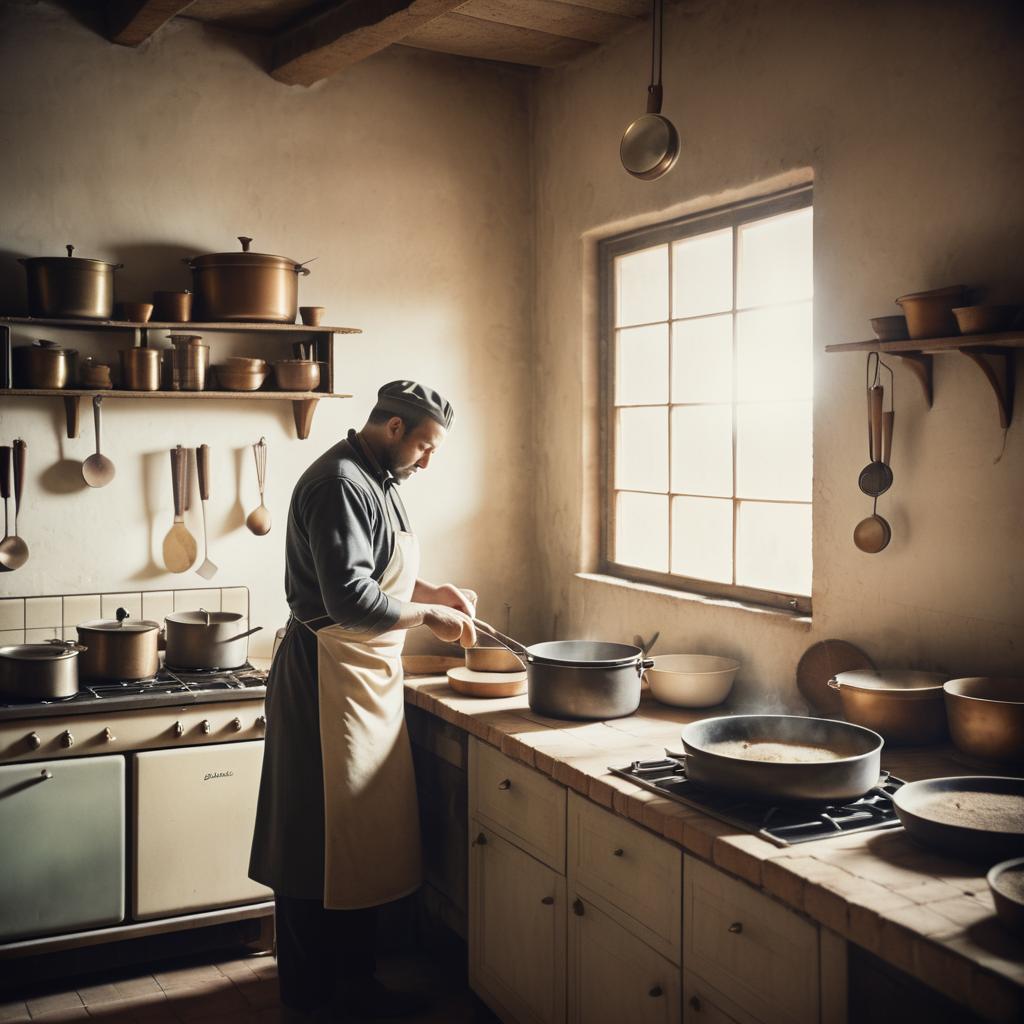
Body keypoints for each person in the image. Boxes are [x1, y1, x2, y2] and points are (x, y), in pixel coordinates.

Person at [249, 380, 477, 1022]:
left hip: (361, 675)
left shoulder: (382, 480)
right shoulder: (342, 483)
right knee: (315, 840)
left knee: (355, 845)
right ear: (395, 429)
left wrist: (434, 589)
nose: (428, 461)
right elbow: (348, 597)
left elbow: (376, 571)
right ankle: (312, 997)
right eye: (426, 447)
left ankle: (354, 985)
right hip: (327, 674)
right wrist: (427, 614)